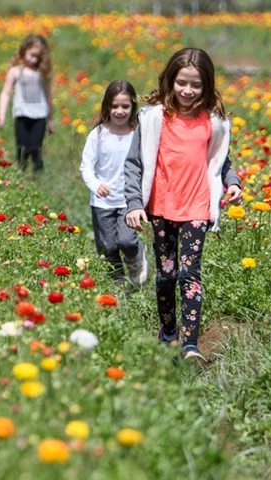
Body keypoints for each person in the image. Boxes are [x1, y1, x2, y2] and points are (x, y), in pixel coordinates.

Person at [124, 48, 243, 364]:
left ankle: (190, 344)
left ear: (207, 86)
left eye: (196, 85)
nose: (188, 91)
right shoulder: (153, 118)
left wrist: (233, 182)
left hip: (197, 208)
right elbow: (135, 163)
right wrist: (134, 204)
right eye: (182, 83)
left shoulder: (213, 122)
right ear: (169, 81)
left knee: (190, 273)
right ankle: (168, 332)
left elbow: (220, 160)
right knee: (166, 275)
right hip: (162, 208)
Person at [80, 80, 148, 288]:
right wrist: (95, 184)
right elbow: (86, 166)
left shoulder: (138, 134)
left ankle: (137, 259)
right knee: (107, 247)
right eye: (115, 106)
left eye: (125, 106)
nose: (120, 111)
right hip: (103, 202)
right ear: (107, 106)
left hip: (129, 201)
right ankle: (118, 284)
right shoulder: (98, 134)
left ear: (133, 107)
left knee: (127, 241)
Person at [0, 34, 55, 173]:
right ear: (24, 51)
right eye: (32, 55)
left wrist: (51, 119)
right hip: (22, 114)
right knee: (22, 148)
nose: (34, 60)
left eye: (38, 57)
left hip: (40, 115)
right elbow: (5, 93)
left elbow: (48, 96)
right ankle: (21, 173)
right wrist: (2, 114)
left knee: (35, 148)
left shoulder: (42, 73)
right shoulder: (15, 71)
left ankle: (38, 175)